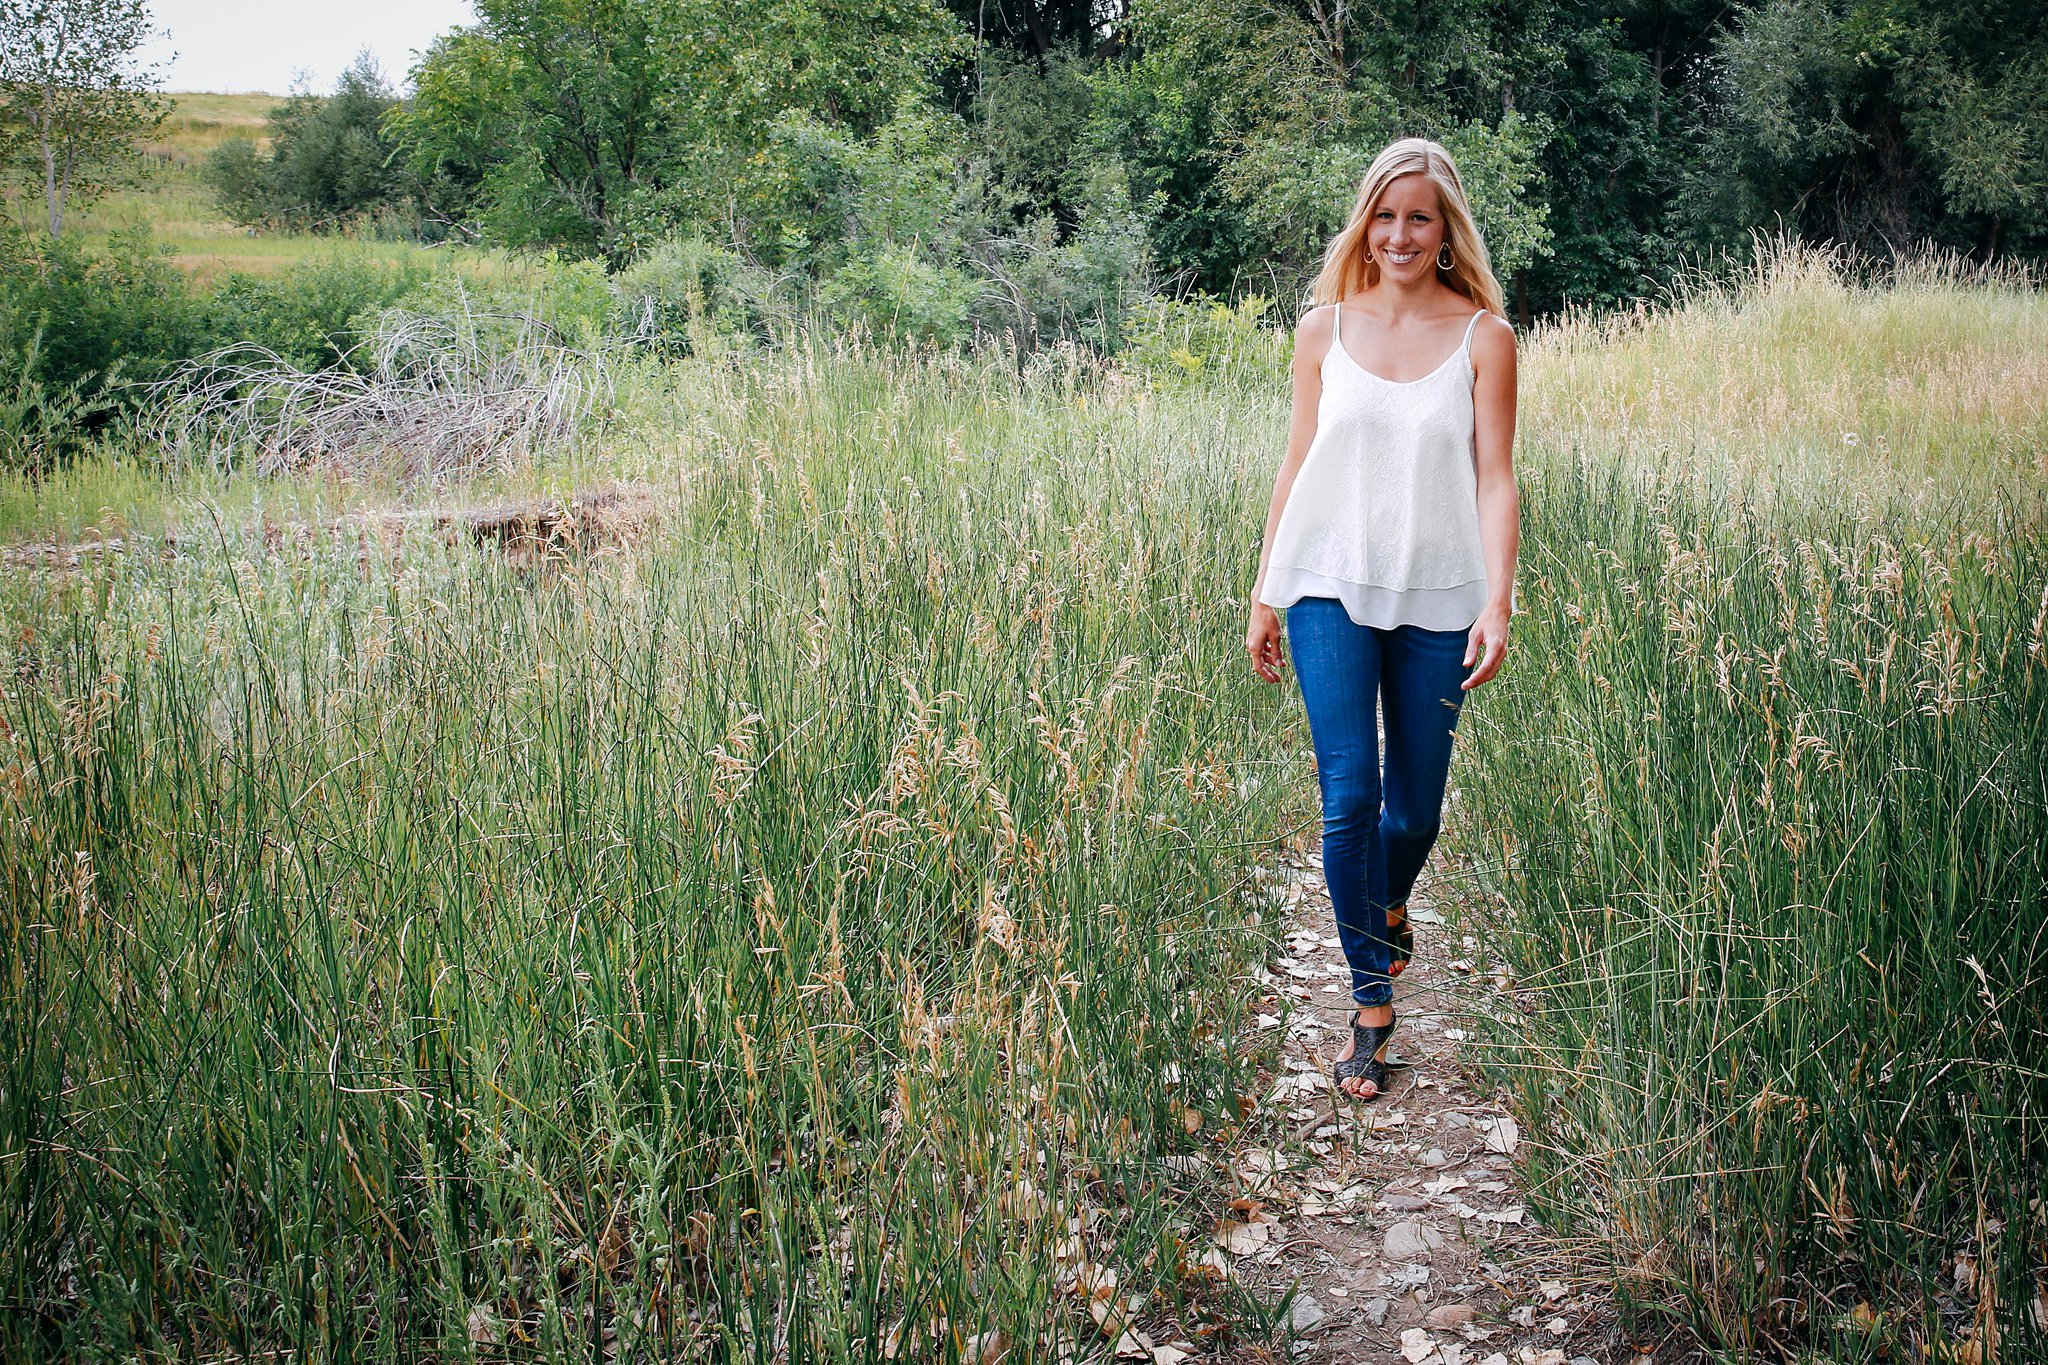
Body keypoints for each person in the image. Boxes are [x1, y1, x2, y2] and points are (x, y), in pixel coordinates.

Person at [1244, 137, 1521, 1102]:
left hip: (1438, 591)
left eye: (1420, 217)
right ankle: (1369, 1008)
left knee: (1415, 809)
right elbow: (1297, 461)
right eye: (1386, 215)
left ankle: (1389, 902)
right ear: (1366, 221)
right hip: (1327, 582)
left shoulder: (1485, 336)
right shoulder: (1323, 329)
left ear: (1446, 232)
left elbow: (1495, 474)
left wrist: (1498, 593)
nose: (1400, 234)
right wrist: (1266, 586)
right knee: (1347, 796)